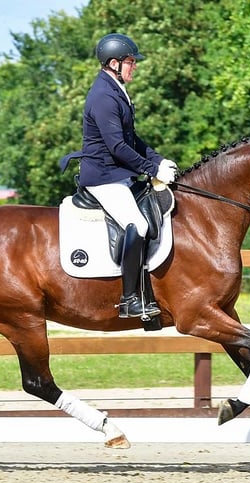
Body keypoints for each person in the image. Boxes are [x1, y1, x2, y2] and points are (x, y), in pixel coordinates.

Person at [62, 33, 177, 319]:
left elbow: (132, 139)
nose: (134, 66)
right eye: (130, 61)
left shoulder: (115, 90)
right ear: (113, 63)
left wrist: (158, 159)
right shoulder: (103, 96)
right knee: (136, 224)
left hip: (118, 174)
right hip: (103, 176)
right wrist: (152, 170)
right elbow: (117, 146)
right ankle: (129, 299)